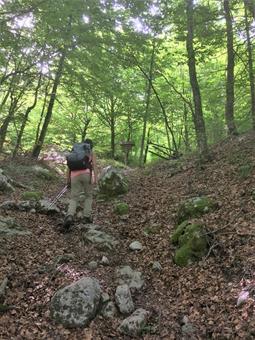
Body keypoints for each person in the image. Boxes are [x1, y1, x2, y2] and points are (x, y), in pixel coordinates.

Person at [63, 138, 98, 230]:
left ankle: (70, 215)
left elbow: (69, 168)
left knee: (74, 197)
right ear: (91, 146)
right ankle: (86, 217)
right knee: (88, 196)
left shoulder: (75, 152)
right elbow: (94, 165)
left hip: (74, 176)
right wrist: (96, 179)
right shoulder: (91, 152)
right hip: (87, 175)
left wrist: (68, 180)